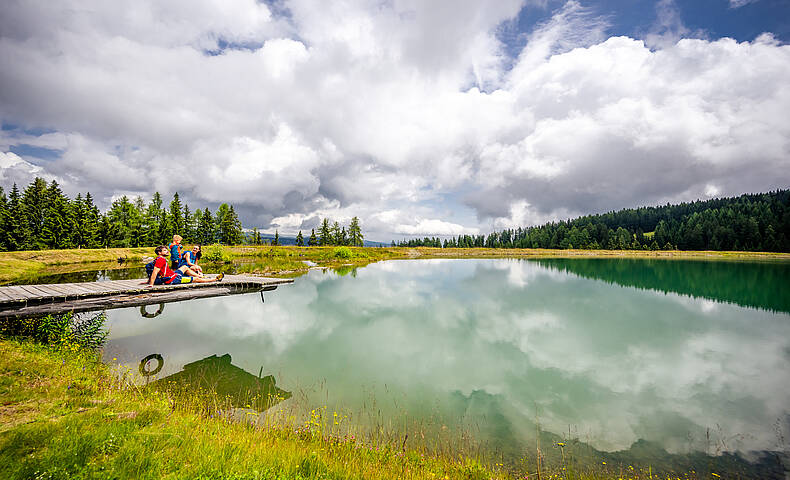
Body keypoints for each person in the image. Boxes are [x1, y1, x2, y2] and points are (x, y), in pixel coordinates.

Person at [146, 245, 223, 286]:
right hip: (173, 280)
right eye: (165, 250)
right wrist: (151, 284)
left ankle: (201, 276)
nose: (167, 251)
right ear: (159, 252)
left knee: (184, 267)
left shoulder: (159, 259)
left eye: (167, 250)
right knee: (195, 279)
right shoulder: (161, 260)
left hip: (174, 275)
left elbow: (153, 272)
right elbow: (155, 272)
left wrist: (148, 281)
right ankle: (215, 279)